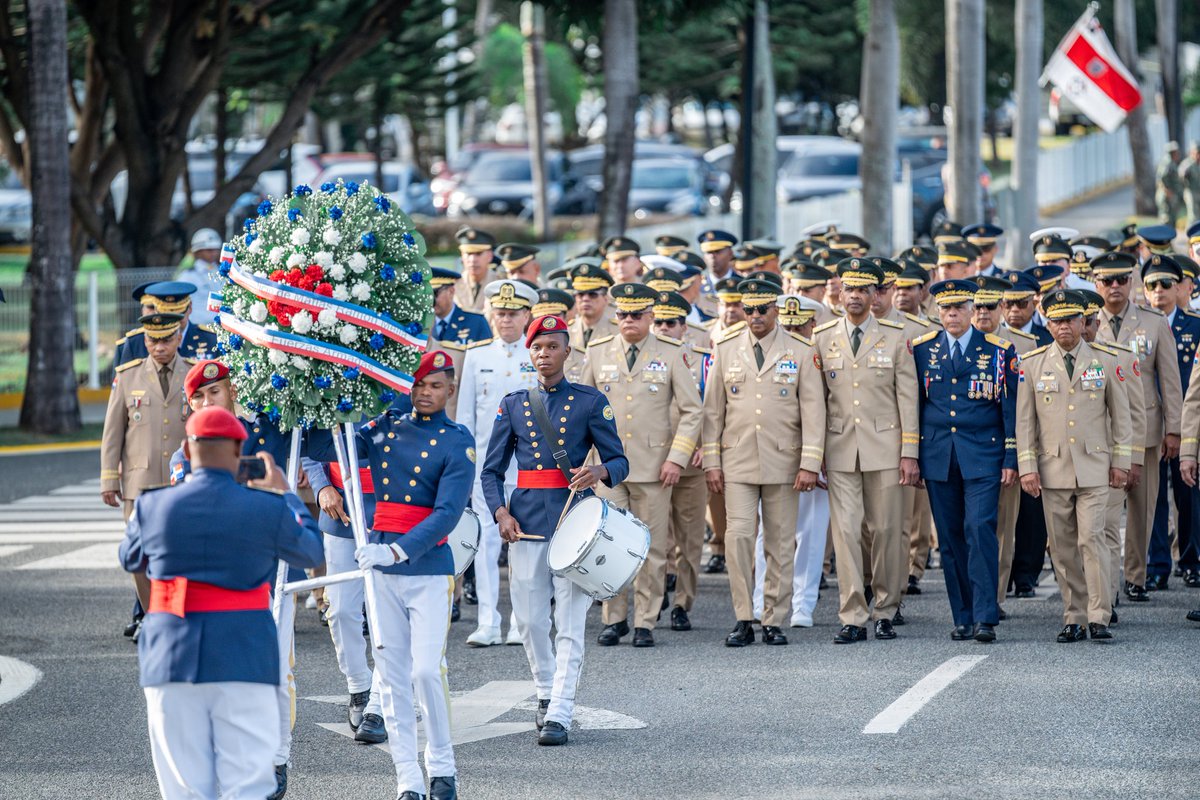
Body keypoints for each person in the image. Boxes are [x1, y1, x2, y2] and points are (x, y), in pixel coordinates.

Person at [119, 406, 324, 800]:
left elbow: (130, 559)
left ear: (186, 450)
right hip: (243, 654)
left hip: (172, 656)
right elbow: (312, 551)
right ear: (238, 450)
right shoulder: (265, 507)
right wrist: (286, 494)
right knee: (247, 784)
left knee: (184, 787)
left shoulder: (152, 505)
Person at [311, 351, 474, 799]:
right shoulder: (384, 428)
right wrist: (319, 398)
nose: (425, 392)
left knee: (426, 672)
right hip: (382, 570)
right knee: (394, 675)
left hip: (426, 567)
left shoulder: (457, 441)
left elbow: (447, 513)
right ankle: (408, 777)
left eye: (435, 385)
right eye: (419, 384)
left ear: (450, 390)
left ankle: (442, 766)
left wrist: (397, 550)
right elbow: (326, 448)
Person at [481, 315, 629, 746]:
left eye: (552, 346)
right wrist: (500, 513)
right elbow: (491, 471)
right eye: (537, 347)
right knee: (529, 621)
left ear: (567, 351)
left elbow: (620, 461)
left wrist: (599, 471)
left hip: (575, 522)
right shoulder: (514, 404)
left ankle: (560, 709)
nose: (543, 354)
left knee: (569, 620)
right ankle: (545, 689)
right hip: (526, 522)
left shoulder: (589, 401)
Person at [703, 278, 825, 647]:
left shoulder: (801, 350)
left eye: (762, 309)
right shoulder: (726, 347)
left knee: (780, 542)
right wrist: (712, 461)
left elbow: (813, 411)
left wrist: (810, 462)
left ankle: (774, 617)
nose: (755, 315)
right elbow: (713, 411)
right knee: (739, 538)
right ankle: (744, 616)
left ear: (776, 310)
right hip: (737, 459)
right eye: (749, 309)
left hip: (784, 460)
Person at [582, 283, 703, 648]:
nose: (629, 321)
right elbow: (583, 410)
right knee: (610, 543)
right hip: (608, 469)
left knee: (651, 547)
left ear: (650, 317)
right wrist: (586, 463)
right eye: (623, 314)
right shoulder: (598, 351)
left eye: (637, 315)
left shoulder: (670, 352)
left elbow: (692, 411)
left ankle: (645, 621)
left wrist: (676, 458)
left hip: (654, 467)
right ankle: (614, 618)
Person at [813, 259, 920, 644]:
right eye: (849, 289)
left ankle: (886, 609)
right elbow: (816, 401)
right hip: (840, 447)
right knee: (845, 532)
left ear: (875, 294)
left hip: (886, 448)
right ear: (840, 294)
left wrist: (910, 452)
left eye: (863, 289)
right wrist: (815, 454)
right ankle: (853, 614)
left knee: (886, 530)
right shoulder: (822, 337)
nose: (855, 296)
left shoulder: (894, 336)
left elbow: (908, 398)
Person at [1016, 290, 1131, 642]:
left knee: (1091, 539)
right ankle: (1074, 615)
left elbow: (1122, 417)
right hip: (1053, 468)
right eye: (1057, 321)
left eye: (1070, 319)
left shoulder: (1106, 360)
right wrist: (1027, 467)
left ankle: (1099, 614)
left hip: (1095, 466)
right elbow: (1025, 423)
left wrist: (1121, 462)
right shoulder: (1032, 364)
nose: (1064, 326)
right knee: (1062, 547)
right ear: (1048, 325)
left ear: (1083, 322)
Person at [912, 280, 1017, 642]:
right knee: (950, 537)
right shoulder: (923, 350)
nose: (952, 314)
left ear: (973, 310)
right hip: (939, 455)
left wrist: (1011, 456)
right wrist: (914, 456)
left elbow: (1009, 409)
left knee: (979, 528)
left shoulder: (998, 351)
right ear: (938, 312)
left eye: (959, 307)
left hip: (983, 454)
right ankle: (963, 615)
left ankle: (986, 615)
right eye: (946, 308)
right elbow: (916, 405)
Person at [1092, 251, 1183, 602]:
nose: (1115, 286)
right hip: (1102, 430)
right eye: (1107, 280)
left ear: (1131, 283)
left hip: (1145, 428)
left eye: (1121, 280)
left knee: (1143, 508)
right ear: (1096, 283)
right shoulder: (1086, 321)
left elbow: (1170, 381)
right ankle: (1105, 582)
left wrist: (1174, 430)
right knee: (1104, 509)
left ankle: (1135, 576)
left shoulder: (1153, 322)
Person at [457, 279, 541, 647]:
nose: (505, 320)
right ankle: (488, 621)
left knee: (523, 544)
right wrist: (465, 466)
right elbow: (466, 417)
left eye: (513, 313)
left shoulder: (536, 353)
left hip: (527, 467)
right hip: (487, 466)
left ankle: (519, 621)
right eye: (500, 313)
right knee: (486, 544)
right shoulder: (477, 356)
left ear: (526, 315)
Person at [102, 313, 193, 620]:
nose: (159, 347)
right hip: (139, 484)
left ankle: (174, 615)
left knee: (178, 553)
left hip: (181, 484)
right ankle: (151, 613)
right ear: (145, 340)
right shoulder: (128, 377)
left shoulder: (193, 373)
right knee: (140, 555)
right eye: (153, 341)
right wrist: (109, 479)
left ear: (178, 338)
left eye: (166, 340)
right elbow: (113, 433)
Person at [1077, 289, 1145, 625]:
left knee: (1104, 529)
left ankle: (1107, 598)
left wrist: (1132, 460)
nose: (1085, 330)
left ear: (1096, 323)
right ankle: (1085, 599)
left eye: (1090, 322)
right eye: (1080, 322)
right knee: (1080, 534)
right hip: (1075, 459)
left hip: (1110, 458)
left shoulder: (1118, 357)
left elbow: (1136, 414)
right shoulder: (1059, 358)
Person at [971, 275, 1037, 614]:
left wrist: (1022, 455)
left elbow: (1030, 405)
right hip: (969, 449)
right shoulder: (955, 342)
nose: (983, 312)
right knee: (971, 525)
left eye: (989, 305)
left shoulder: (1024, 344)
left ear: (1001, 307)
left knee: (1003, 527)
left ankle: (994, 598)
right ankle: (974, 596)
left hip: (1009, 446)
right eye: (976, 306)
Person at [1138, 256, 1200, 590]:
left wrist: (1178, 428)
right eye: (1152, 285)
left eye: (1165, 284)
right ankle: (1157, 564)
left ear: (1180, 288)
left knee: (1188, 495)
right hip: (1148, 422)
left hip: (1185, 425)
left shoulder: (1195, 325)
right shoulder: (1137, 325)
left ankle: (1191, 559)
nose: (1159, 291)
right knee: (1153, 498)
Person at [651, 290, 710, 630]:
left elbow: (713, 408)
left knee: (689, 540)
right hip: (653, 462)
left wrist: (710, 447)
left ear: (684, 327)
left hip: (691, 463)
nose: (663, 328)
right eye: (658, 322)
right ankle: (654, 594)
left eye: (671, 322)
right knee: (655, 538)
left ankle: (682, 603)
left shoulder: (702, 360)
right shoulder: (642, 357)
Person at [115, 281, 219, 367]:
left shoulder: (212, 340)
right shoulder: (134, 343)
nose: (174, 321)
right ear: (156, 311)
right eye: (167, 316)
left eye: (179, 314)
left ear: (190, 308)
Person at [430, 267, 492, 346]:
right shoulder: (421, 323)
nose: (431, 300)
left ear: (451, 291)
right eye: (426, 294)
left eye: (434, 294)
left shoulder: (476, 322)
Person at [175, 228, 224, 326]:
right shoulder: (187, 276)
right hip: (199, 327)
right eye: (209, 250)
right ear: (198, 251)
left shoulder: (223, 272)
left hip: (223, 325)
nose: (214, 253)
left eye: (216, 249)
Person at [566, 259, 617, 349]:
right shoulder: (566, 331)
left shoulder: (617, 331)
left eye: (592, 295)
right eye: (580, 294)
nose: (585, 299)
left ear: (605, 299)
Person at [454, 226, 501, 312]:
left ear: (490, 256)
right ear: (462, 255)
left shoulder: (500, 284)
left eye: (478, 254)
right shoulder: (453, 284)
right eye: (468, 254)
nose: (473, 260)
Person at [1157, 141, 1185, 225]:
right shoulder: (1168, 163)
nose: (1178, 154)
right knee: (1166, 221)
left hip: (1170, 197)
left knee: (1172, 220)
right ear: (1172, 152)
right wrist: (1168, 192)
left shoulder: (1171, 162)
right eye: (1176, 152)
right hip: (1167, 197)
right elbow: (1162, 178)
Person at [1182, 142, 1200, 223]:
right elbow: (1181, 177)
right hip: (1190, 192)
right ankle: (1191, 230)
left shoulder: (1198, 165)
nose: (1198, 156)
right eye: (1197, 153)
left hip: (1198, 192)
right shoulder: (1188, 163)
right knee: (1193, 217)